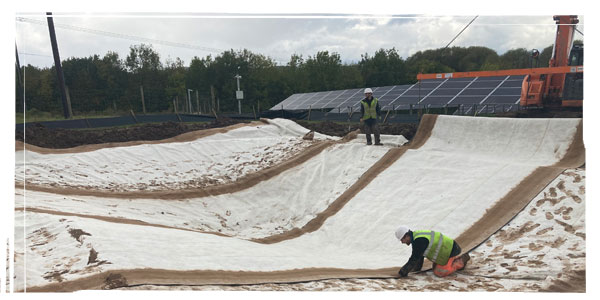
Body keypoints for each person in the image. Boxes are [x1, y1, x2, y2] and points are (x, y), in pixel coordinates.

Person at [395, 225, 470, 278]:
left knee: (440, 272)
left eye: (402, 239)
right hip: (447, 250)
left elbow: (414, 258)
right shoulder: (416, 237)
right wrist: (417, 269)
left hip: (450, 251)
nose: (402, 242)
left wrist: (403, 272)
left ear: (406, 236)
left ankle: (461, 261)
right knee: (435, 268)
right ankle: (453, 260)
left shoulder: (418, 241)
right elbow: (420, 255)